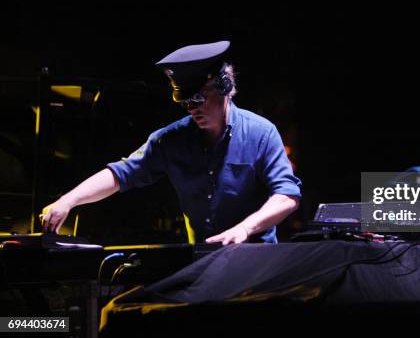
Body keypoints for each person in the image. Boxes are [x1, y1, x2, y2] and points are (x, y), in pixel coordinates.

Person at [40, 41, 301, 245]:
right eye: (184, 103)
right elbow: (121, 174)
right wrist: (68, 200)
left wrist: (245, 228)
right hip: (202, 261)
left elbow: (287, 196)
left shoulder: (262, 133)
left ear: (224, 86)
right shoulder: (170, 139)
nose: (191, 110)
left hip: (255, 262)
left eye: (197, 100)